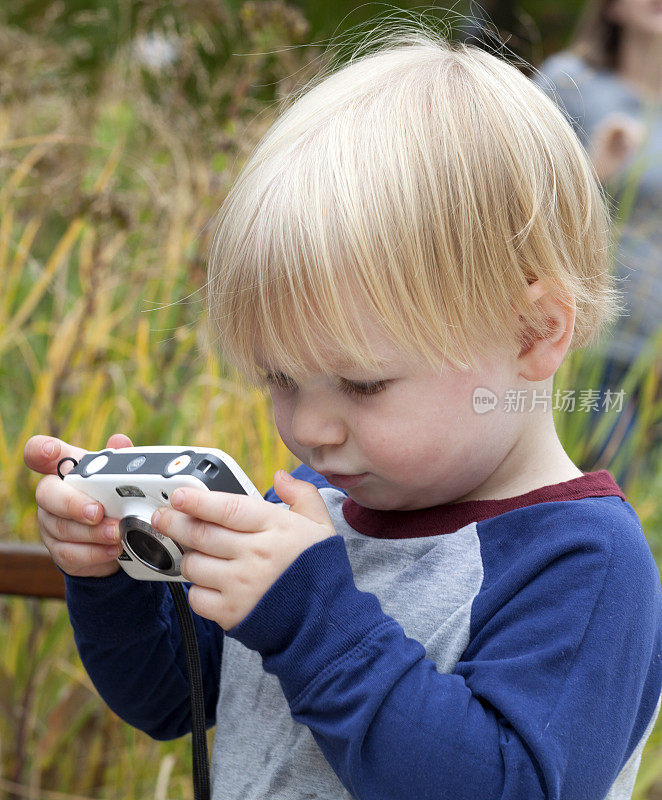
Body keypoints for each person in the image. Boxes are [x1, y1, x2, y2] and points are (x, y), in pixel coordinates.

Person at [24, 24, 662, 800]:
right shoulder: (315, 506)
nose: (313, 429)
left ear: (533, 334)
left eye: (363, 386)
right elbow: (170, 698)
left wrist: (309, 619)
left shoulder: (583, 565)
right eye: (280, 378)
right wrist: (112, 574)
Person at [531, 0, 662, 483]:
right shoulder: (571, 82)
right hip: (597, 350)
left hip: (658, 352)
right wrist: (594, 171)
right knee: (607, 503)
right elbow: (508, 197)